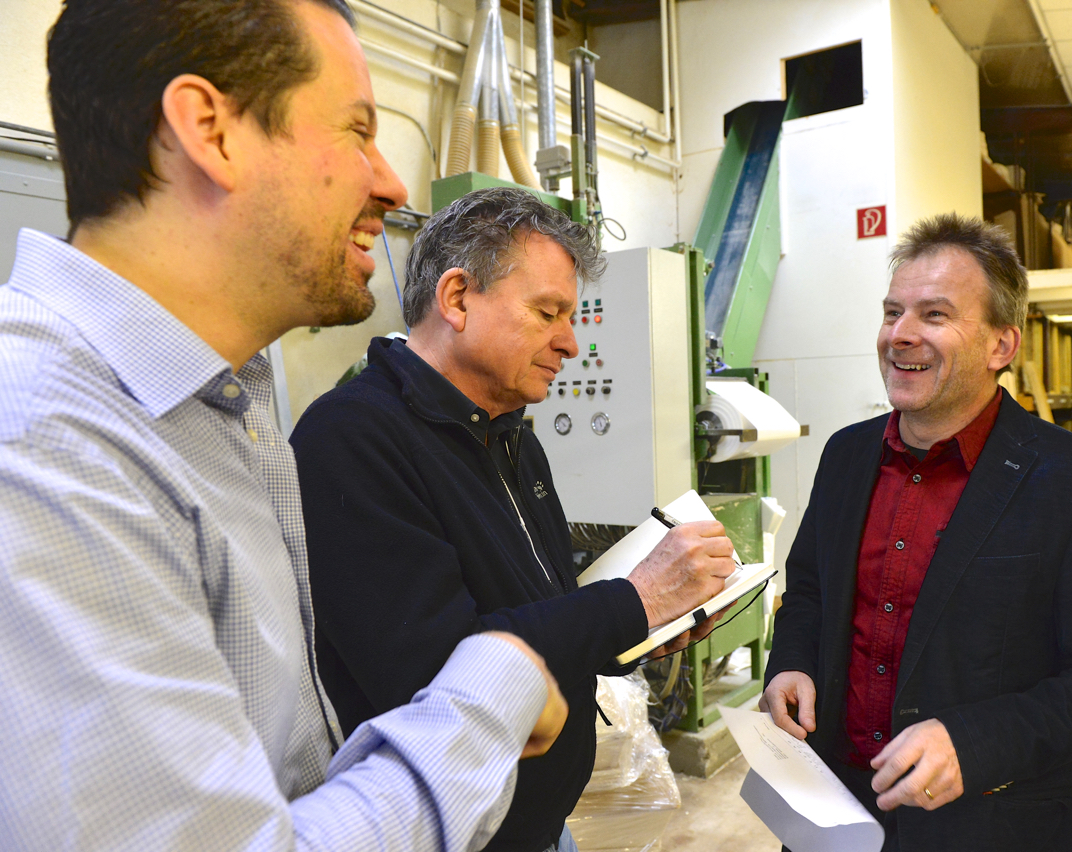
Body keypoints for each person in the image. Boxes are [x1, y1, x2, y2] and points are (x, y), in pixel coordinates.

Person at [0, 1, 570, 849]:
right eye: (357, 131)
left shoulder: (224, 405)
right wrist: (498, 683)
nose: (393, 182)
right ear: (210, 129)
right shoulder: (46, 439)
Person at [289, 187, 738, 852]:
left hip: (537, 826)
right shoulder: (352, 438)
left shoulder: (512, 437)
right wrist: (630, 601)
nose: (571, 343)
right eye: (549, 312)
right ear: (458, 298)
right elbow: (441, 669)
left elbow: (539, 610)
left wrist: (636, 630)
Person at [761, 213, 1072, 852]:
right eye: (893, 312)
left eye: (935, 316)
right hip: (831, 810)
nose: (900, 335)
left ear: (1002, 346)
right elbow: (809, 588)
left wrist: (974, 745)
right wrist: (791, 663)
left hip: (988, 826)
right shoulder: (845, 455)